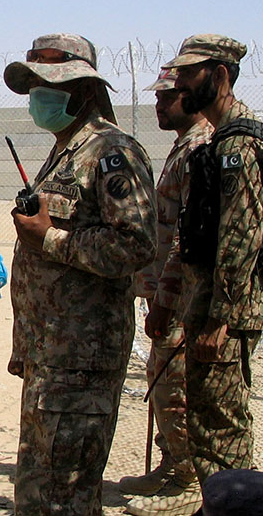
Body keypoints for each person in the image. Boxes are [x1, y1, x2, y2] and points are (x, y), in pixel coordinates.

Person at [4, 33, 157, 516]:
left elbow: (136, 244)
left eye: (50, 86)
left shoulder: (112, 154)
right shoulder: (65, 153)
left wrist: (51, 238)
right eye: (34, 85)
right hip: (51, 359)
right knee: (41, 495)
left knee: (61, 501)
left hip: (81, 364)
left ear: (85, 91)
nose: (39, 97)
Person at [148, 35, 262, 497]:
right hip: (204, 302)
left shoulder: (239, 147)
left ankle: (234, 503)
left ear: (219, 76)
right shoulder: (215, 145)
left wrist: (222, 318)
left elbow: (241, 239)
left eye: (188, 73)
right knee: (204, 413)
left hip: (225, 313)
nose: (178, 82)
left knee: (222, 424)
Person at [121, 66, 211, 516]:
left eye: (167, 97)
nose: (159, 104)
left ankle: (189, 482)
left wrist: (166, 298)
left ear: (191, 97)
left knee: (174, 388)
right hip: (168, 294)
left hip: (181, 298)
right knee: (161, 385)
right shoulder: (183, 147)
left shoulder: (199, 149)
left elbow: (184, 236)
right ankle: (172, 464)